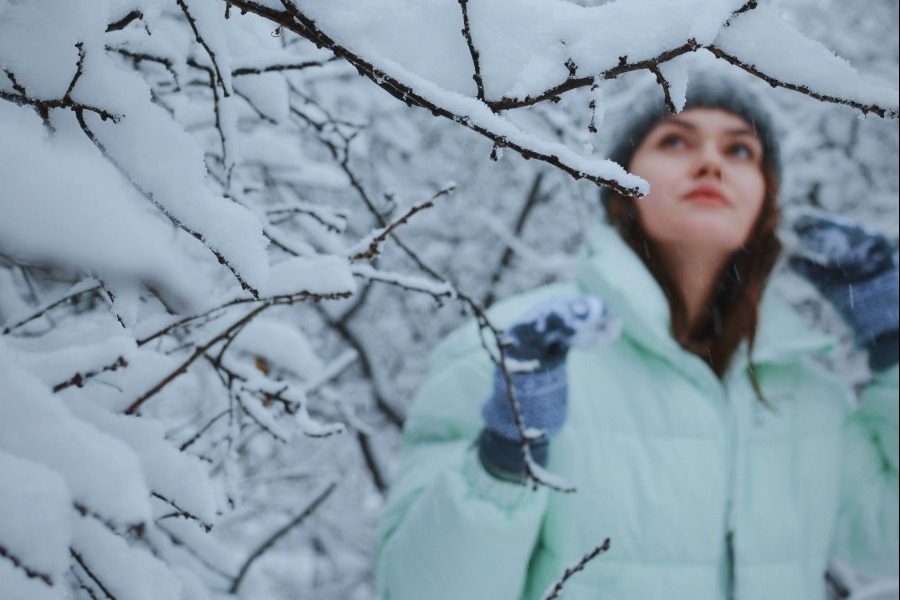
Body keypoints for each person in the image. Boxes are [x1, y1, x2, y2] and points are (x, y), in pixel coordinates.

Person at [375, 75, 899, 600]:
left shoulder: (804, 390)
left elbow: (885, 540)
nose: (711, 163)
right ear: (619, 189)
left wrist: (894, 341)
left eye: (740, 149)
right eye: (675, 141)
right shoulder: (516, 354)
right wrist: (505, 460)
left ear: (767, 201)